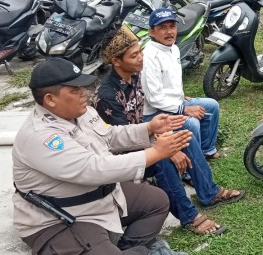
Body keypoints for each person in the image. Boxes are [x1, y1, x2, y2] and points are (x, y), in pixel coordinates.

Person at [13, 58, 196, 255]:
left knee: (156, 202)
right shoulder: (41, 137)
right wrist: (155, 153)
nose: (84, 94)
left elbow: (110, 136)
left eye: (82, 87)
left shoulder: (82, 113)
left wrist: (149, 128)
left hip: (98, 197)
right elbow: (93, 168)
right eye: (75, 90)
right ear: (50, 100)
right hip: (59, 219)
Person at [95, 27, 242, 235]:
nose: (141, 58)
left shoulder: (134, 76)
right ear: (117, 61)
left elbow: (141, 126)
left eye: (140, 52)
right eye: (134, 55)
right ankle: (189, 217)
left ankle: (209, 193)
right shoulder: (107, 96)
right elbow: (123, 140)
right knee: (164, 160)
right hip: (121, 159)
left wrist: (166, 138)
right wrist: (166, 149)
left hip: (141, 142)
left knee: (184, 137)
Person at [141, 8, 245, 203]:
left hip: (174, 103)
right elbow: (154, 98)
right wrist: (183, 109)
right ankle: (205, 188)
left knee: (211, 105)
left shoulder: (172, 48)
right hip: (155, 113)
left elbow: (170, 82)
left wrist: (181, 97)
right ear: (151, 31)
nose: (169, 31)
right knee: (190, 125)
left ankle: (206, 151)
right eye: (162, 28)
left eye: (171, 26)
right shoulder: (150, 56)